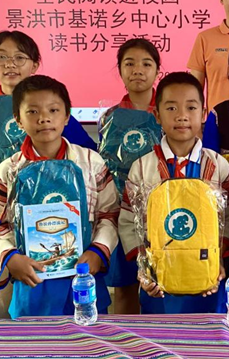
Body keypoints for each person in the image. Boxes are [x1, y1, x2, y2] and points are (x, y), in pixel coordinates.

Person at [0, 31, 95, 318]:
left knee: (54, 281)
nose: (10, 64)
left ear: (35, 64)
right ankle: (10, 337)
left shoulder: (52, 105)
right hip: (2, 211)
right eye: (1, 57)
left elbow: (86, 154)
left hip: (56, 211)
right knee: (3, 287)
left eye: (19, 57)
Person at [0, 75, 119, 319]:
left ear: (67, 117)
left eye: (53, 110)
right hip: (32, 280)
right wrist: (11, 258)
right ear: (18, 119)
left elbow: (110, 214)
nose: (43, 118)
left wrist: (99, 251)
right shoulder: (9, 170)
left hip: (83, 276)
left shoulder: (91, 163)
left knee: (90, 337)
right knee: (35, 339)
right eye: (32, 111)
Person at [118, 72, 229, 313]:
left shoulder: (218, 165)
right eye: (171, 108)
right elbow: (128, 222)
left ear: (203, 114)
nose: (182, 116)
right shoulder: (142, 167)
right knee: (160, 333)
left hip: (206, 274)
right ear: (157, 115)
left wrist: (217, 262)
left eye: (191, 107)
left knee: (209, 333)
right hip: (159, 280)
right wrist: (145, 268)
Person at [98, 38, 163, 315]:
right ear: (120, 70)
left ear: (157, 71)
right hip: (122, 212)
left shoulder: (168, 113)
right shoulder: (108, 118)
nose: (138, 70)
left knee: (161, 282)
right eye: (130, 64)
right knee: (124, 286)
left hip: (161, 210)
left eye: (146, 64)